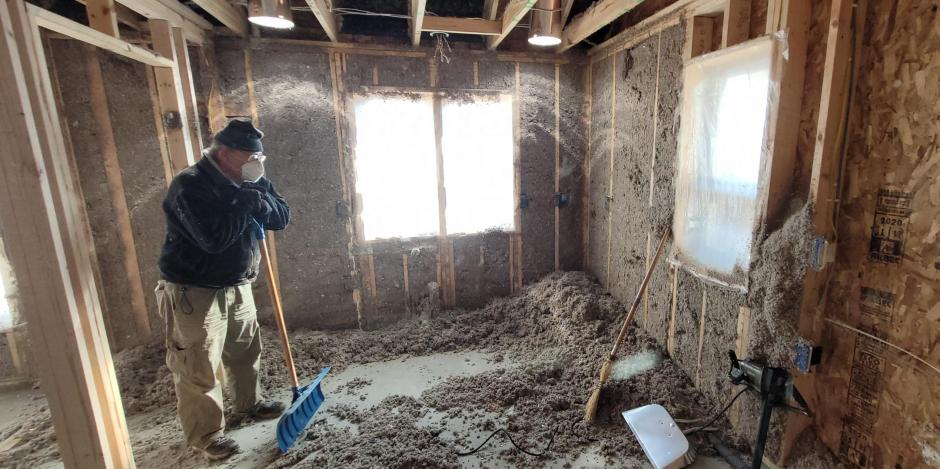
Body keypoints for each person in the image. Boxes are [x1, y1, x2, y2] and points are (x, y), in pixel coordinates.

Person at [155, 119, 290, 460]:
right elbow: (212, 240)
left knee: (245, 351)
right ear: (225, 153)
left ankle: (250, 403)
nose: (257, 162)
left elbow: (281, 218)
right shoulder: (190, 186)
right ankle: (207, 435)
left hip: (237, 283)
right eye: (250, 156)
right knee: (198, 364)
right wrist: (242, 204)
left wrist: (261, 199)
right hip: (195, 290)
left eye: (260, 156)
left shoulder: (251, 179)